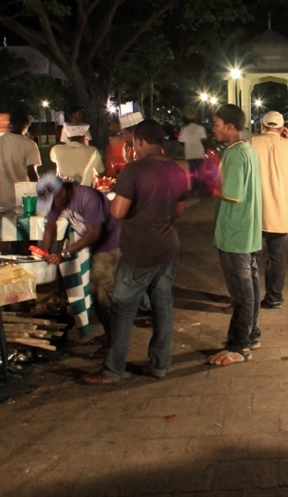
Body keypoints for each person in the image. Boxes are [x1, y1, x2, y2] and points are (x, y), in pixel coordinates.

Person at [83, 120, 187, 383]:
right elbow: (180, 211)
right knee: (162, 307)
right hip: (168, 248)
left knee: (122, 309)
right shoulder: (176, 169)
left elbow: (117, 212)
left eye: (132, 143)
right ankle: (160, 366)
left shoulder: (134, 170)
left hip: (140, 250)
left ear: (139, 142)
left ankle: (112, 371)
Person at [208, 104, 263, 366]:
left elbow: (232, 194)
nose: (214, 128)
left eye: (217, 124)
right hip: (247, 230)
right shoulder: (247, 149)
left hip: (234, 232)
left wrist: (212, 180)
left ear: (231, 126)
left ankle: (239, 345)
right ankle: (251, 335)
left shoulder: (234, 154)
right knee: (250, 285)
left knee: (241, 293)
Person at [37, 173, 121, 337]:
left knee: (103, 292)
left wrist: (65, 252)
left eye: (52, 201)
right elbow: (51, 225)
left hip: (110, 243)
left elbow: (93, 234)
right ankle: (112, 335)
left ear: (61, 192)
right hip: (96, 245)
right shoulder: (59, 200)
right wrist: (45, 248)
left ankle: (116, 340)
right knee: (95, 291)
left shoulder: (87, 196)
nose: (53, 206)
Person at [249, 111, 288, 310]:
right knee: (277, 259)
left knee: (251, 260)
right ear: (282, 128)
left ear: (263, 126)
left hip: (255, 213)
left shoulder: (251, 144)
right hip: (282, 213)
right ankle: (274, 297)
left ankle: (249, 298)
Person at [0, 110, 41, 208]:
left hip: (0, 197)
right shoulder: (30, 145)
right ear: (27, 124)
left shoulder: (1, 141)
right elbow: (31, 172)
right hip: (20, 198)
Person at [178, 111, 208, 190]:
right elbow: (204, 141)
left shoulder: (183, 129)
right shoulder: (200, 128)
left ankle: (195, 189)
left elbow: (181, 142)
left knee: (193, 172)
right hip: (199, 153)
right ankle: (202, 189)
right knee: (201, 171)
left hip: (189, 154)